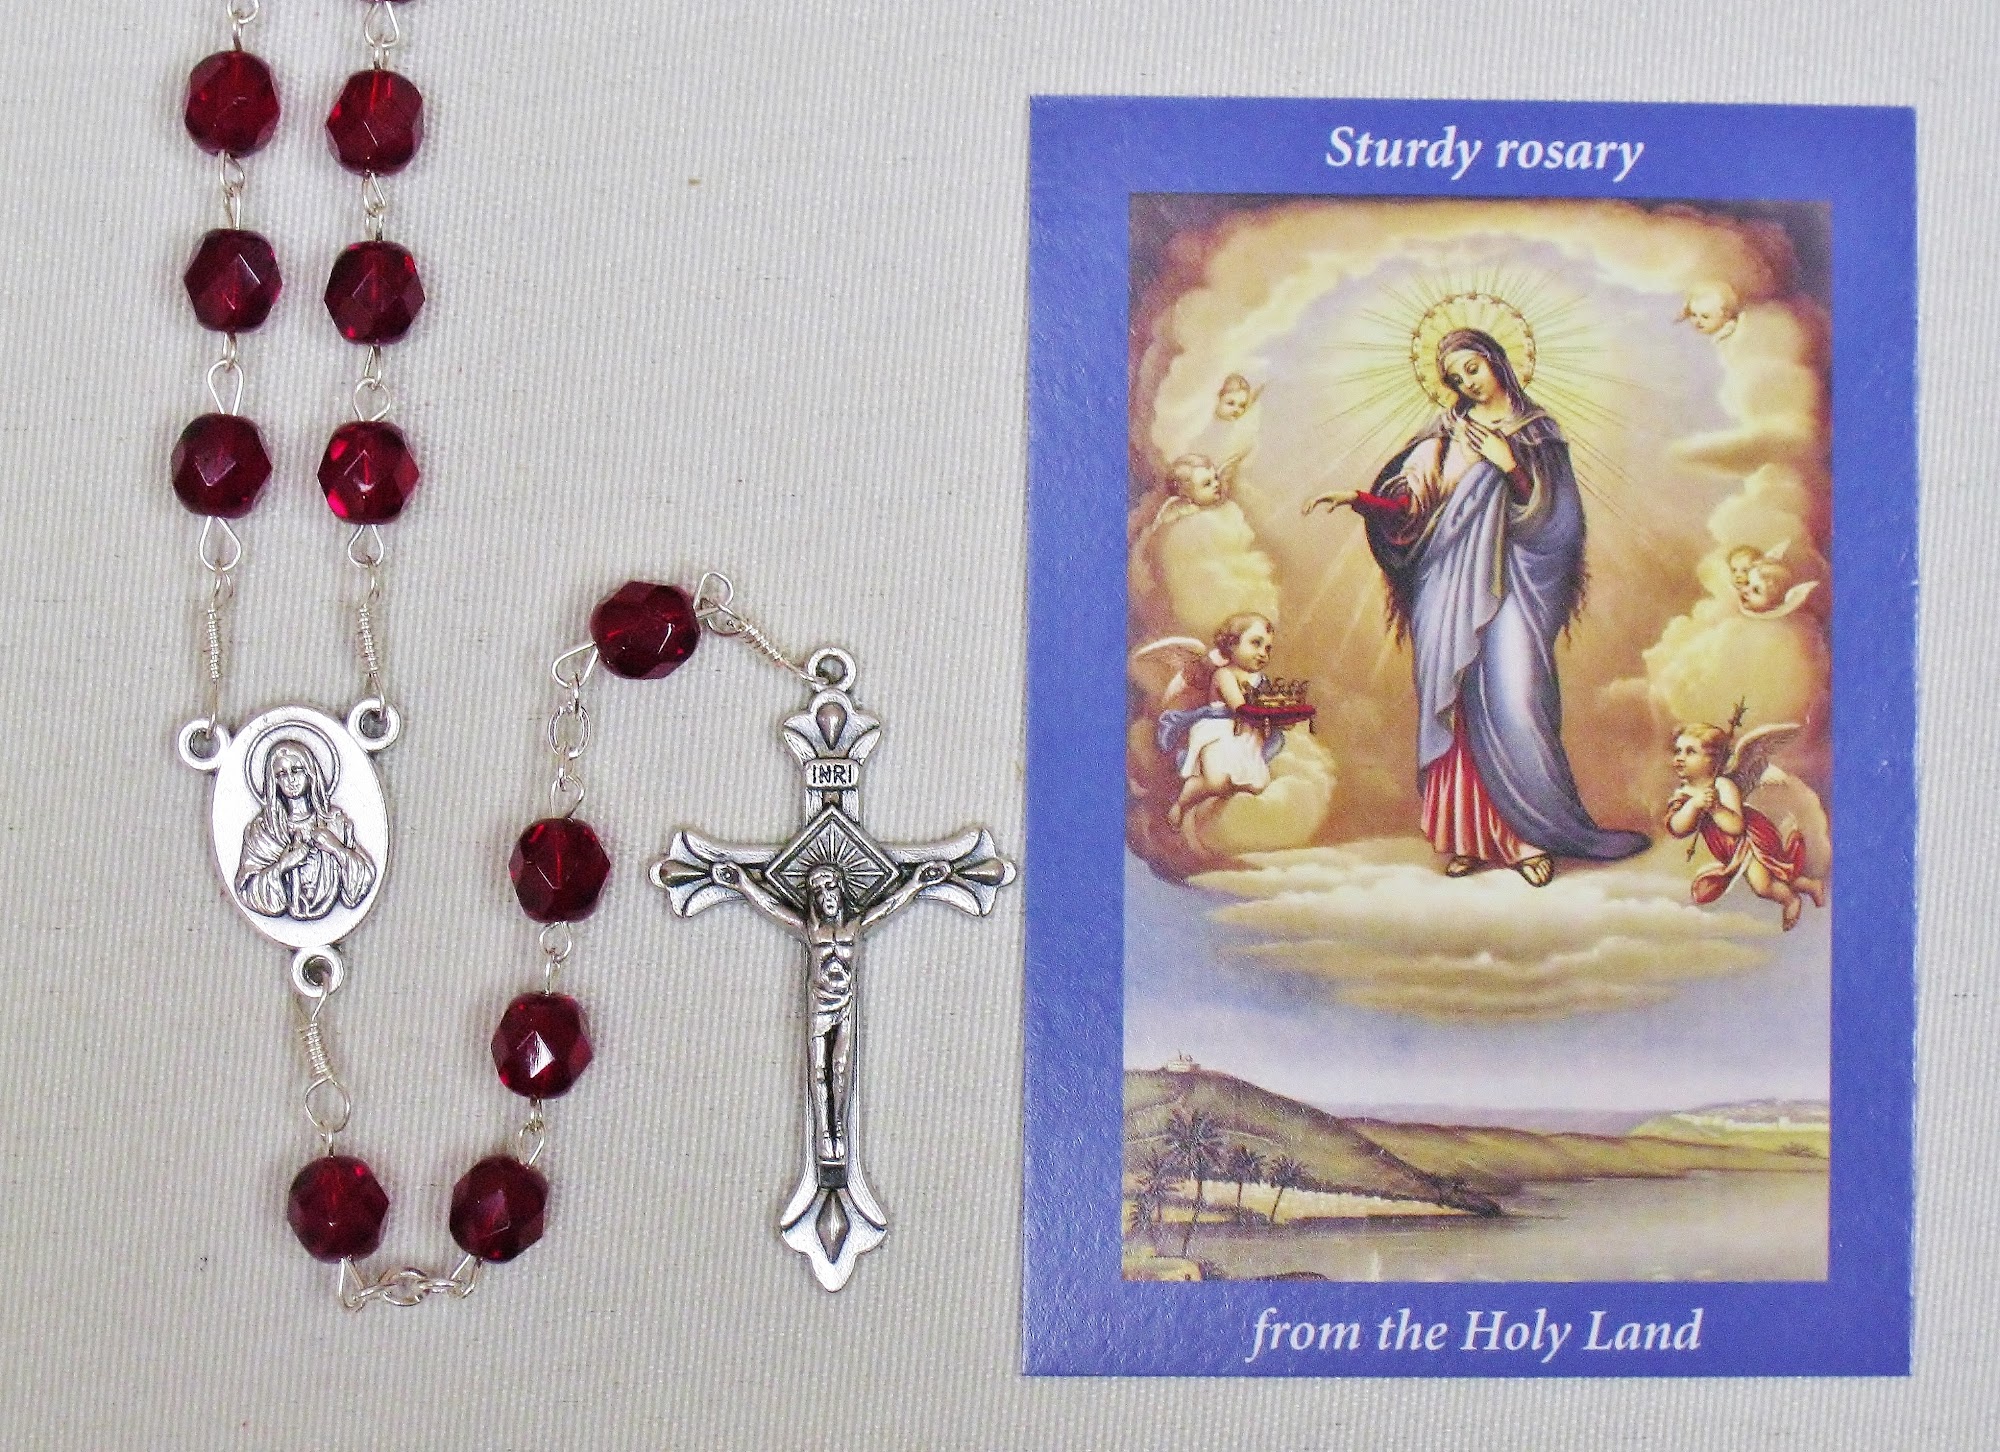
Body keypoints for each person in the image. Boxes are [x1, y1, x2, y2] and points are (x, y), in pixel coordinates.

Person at [1304, 328, 1646, 884]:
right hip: (1446, 585)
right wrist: (1363, 501)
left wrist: (1510, 466)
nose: (1467, 382)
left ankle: (1530, 834)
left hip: (1514, 585)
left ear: (1495, 361)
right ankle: (1473, 836)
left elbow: (1561, 524)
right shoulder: (1444, 435)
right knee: (1457, 703)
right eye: (1455, 377)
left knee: (1515, 699)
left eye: (1472, 368)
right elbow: (1414, 505)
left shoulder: (1537, 433)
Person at [1666, 723, 1823, 929]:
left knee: (1762, 885)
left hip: (1751, 839)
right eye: (1678, 751)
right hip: (1730, 848)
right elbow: (1677, 828)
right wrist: (1694, 805)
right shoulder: (1684, 793)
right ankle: (1810, 885)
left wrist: (1715, 808)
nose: (1680, 757)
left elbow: (1736, 826)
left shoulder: (1723, 785)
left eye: (1690, 752)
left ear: (1713, 760)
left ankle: (1790, 900)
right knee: (1773, 872)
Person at [1155, 612, 1283, 827]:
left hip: (1247, 735)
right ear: (1232, 644)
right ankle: (1181, 803)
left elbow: (1266, 706)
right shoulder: (1224, 675)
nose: (1263, 653)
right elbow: (1240, 707)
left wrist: (1277, 713)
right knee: (1216, 782)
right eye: (1256, 643)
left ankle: (1214, 821)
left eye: (1267, 648)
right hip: (1218, 731)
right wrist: (1267, 711)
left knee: (1256, 784)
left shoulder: (1260, 680)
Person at [235, 740, 376, 920]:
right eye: (281, 774)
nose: (290, 780)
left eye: (296, 770)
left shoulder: (335, 823)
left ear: (310, 773)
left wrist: (335, 848)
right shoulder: (263, 831)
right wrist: (283, 865)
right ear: (273, 782)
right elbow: (247, 889)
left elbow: (364, 878)